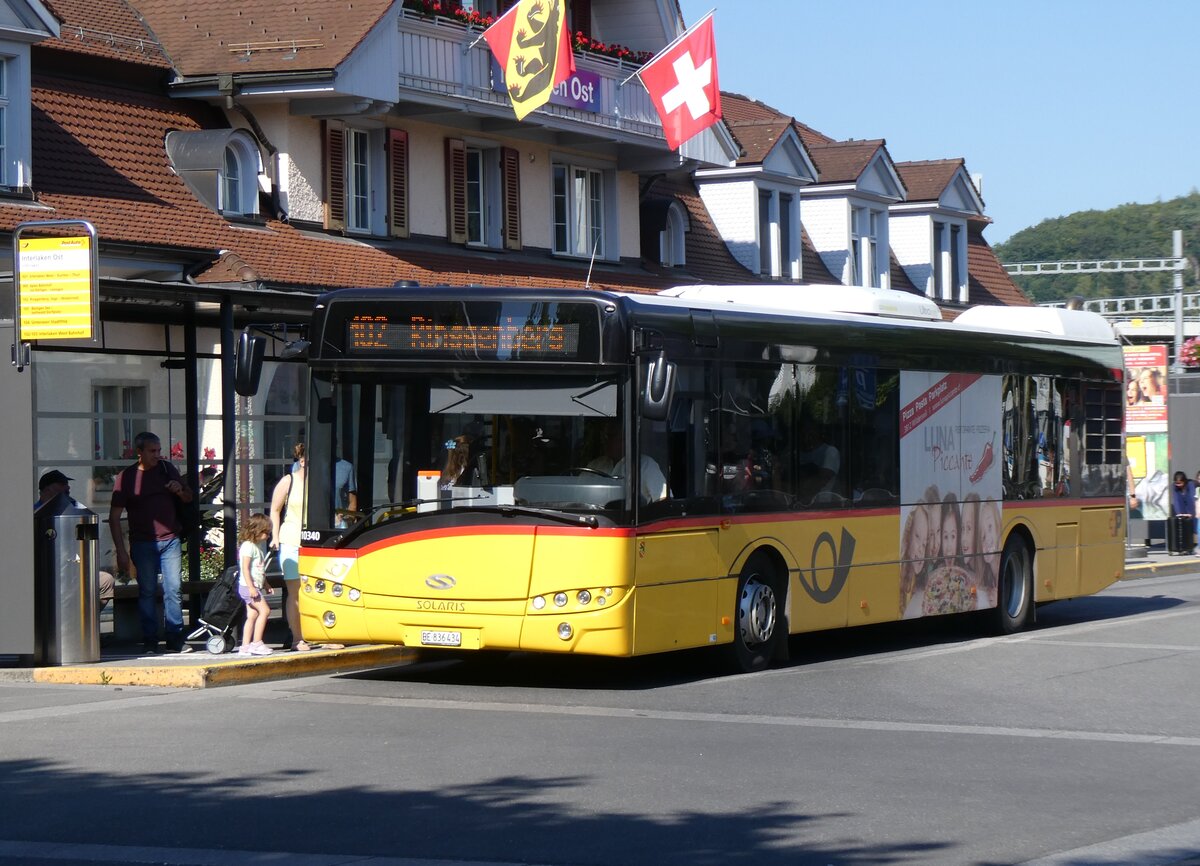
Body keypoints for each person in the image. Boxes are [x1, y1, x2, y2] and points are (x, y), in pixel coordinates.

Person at [107, 432, 194, 655]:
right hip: (143, 542)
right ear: (140, 452)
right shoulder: (126, 478)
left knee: (173, 590)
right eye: (152, 451)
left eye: (158, 450)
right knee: (147, 591)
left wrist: (180, 490)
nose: (157, 455)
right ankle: (150, 641)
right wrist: (121, 551)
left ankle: (175, 638)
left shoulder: (167, 469)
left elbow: (189, 498)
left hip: (170, 540)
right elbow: (114, 517)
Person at [35, 470, 115, 611]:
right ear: (46, 490)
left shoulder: (75, 512)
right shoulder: (35, 515)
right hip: (44, 574)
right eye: (61, 485)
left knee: (105, 581)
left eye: (67, 485)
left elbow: (88, 542)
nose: (67, 488)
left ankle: (85, 621)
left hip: (73, 570)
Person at [270, 442, 312, 652]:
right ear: (302, 461)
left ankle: (323, 634)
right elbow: (275, 510)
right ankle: (298, 637)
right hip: (291, 540)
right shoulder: (289, 481)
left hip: (314, 542)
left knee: (315, 592)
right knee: (295, 592)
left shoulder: (320, 482)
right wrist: (275, 537)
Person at [586, 419, 667, 503]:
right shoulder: (595, 465)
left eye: (611, 436)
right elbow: (577, 494)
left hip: (630, 515)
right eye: (605, 437)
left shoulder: (646, 465)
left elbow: (662, 499)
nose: (605, 441)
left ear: (625, 440)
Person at [236, 513, 274, 656]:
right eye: (266, 532)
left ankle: (245, 646)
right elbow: (245, 568)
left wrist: (266, 584)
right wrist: (252, 587)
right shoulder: (248, 546)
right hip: (248, 587)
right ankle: (257, 643)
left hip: (253, 586)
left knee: (252, 615)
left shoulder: (257, 547)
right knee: (265, 611)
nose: (267, 536)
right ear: (256, 531)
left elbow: (259, 570)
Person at [1168, 470, 1197, 555]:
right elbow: (1177, 501)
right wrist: (1180, 513)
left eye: (1180, 483)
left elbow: (1193, 499)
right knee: (1183, 523)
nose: (1178, 485)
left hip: (1192, 505)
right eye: (1176, 483)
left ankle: (1194, 545)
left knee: (1195, 524)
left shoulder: (1191, 484)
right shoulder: (1175, 487)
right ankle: (1186, 546)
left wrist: (1192, 513)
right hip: (1183, 505)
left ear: (1184, 481)